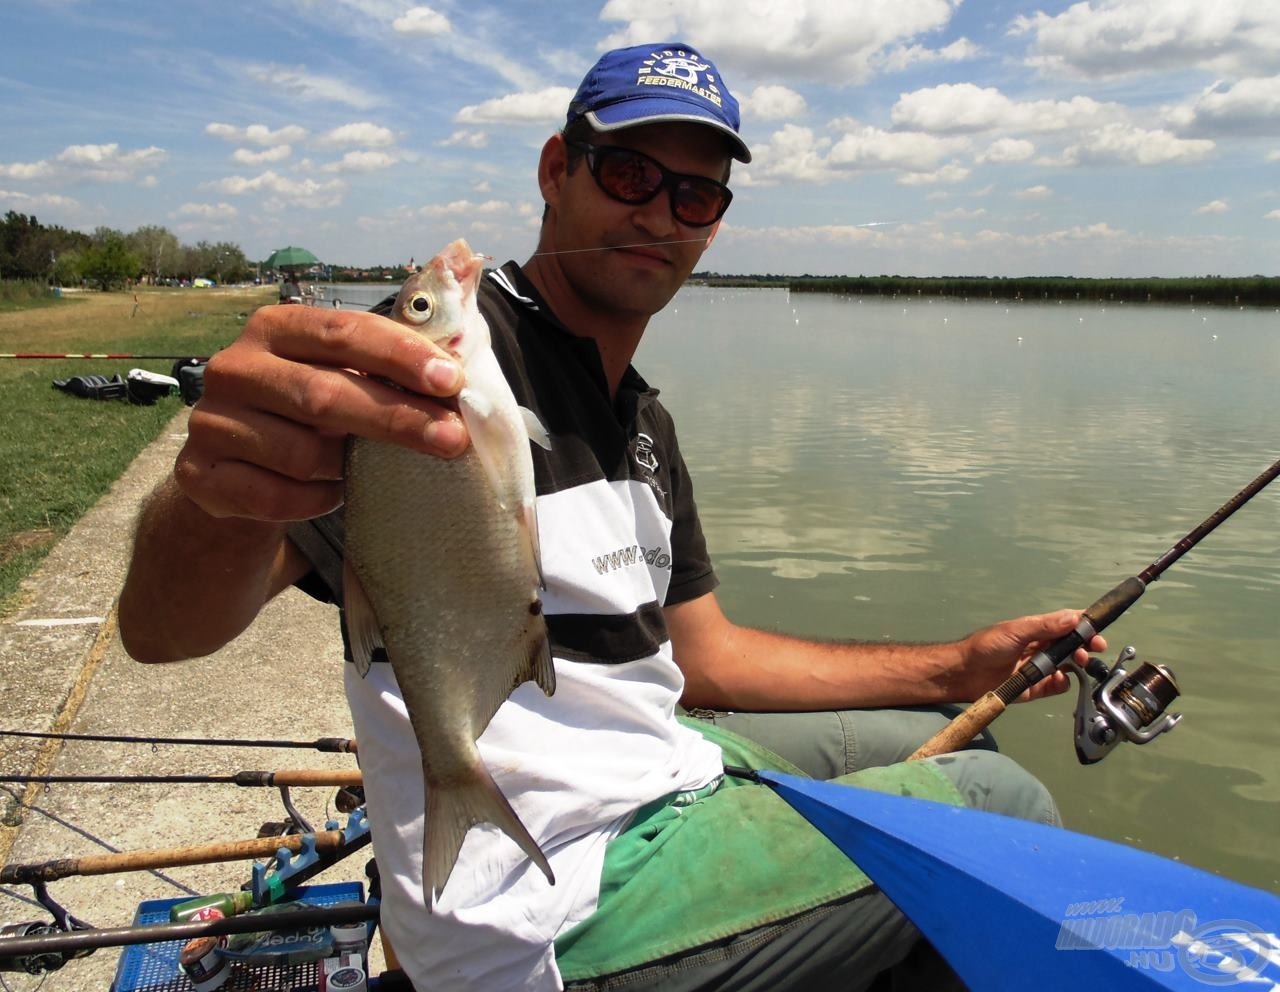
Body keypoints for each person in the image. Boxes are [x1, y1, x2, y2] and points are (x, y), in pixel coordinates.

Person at [119, 42, 1105, 992]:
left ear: (714, 221)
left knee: (944, 732)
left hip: (661, 768)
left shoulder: (644, 416)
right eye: (628, 171)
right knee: (1002, 812)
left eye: (695, 193)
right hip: (546, 902)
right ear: (558, 169)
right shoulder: (413, 365)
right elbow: (162, 632)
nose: (659, 213)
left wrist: (958, 664)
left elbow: (706, 659)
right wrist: (214, 495)